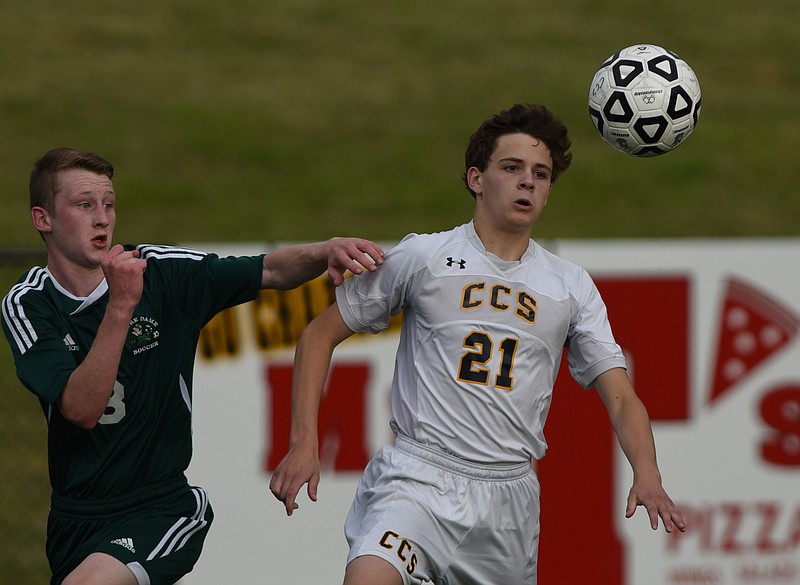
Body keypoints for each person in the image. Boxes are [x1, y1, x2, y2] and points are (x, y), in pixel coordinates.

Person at [269, 103, 686, 584]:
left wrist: (647, 472)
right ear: (476, 179)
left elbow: (621, 396)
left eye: (541, 174)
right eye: (511, 168)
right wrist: (304, 442)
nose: (527, 182)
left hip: (507, 504)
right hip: (417, 478)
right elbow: (319, 334)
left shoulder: (570, 286)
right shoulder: (424, 256)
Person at [0, 147, 384, 585]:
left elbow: (270, 270)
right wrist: (121, 306)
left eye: (109, 204)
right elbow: (81, 408)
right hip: (75, 516)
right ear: (42, 219)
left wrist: (327, 249)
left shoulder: (161, 273)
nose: (103, 218)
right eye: (84, 205)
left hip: (161, 507)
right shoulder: (28, 304)